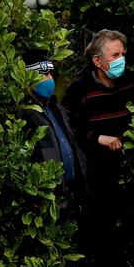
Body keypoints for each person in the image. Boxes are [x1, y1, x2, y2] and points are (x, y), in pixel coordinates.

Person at [61, 30, 134, 267]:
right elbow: (67, 130)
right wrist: (97, 138)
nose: (120, 60)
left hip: (128, 176)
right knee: (99, 242)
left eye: (123, 54)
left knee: (127, 240)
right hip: (95, 180)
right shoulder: (80, 90)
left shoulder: (127, 82)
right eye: (115, 56)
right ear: (97, 60)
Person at [22, 49, 87, 215]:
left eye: (50, 74)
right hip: (49, 199)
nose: (49, 79)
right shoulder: (25, 113)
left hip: (72, 193)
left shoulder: (54, 106)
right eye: (43, 75)